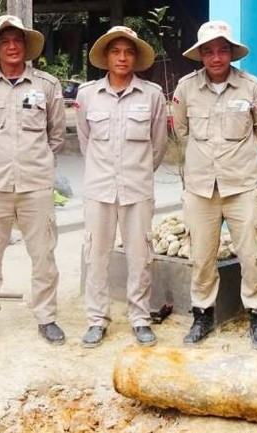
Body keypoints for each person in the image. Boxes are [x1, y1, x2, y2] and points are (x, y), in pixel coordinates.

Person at [0, 15, 66, 349]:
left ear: (26, 46)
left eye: (17, 40)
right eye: (5, 41)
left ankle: (46, 317)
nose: (12, 46)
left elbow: (56, 135)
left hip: (35, 185)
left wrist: (39, 162)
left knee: (44, 256)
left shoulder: (46, 85)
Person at [173, 21, 257, 349]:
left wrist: (236, 158)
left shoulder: (252, 88)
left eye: (222, 50)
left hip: (241, 186)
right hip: (201, 188)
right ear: (201, 55)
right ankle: (202, 315)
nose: (216, 57)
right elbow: (182, 131)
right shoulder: (186, 89)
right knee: (201, 257)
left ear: (231, 53)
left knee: (252, 255)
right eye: (209, 51)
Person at [76, 26, 167, 348]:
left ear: (136, 58)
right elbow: (85, 141)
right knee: (96, 256)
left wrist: (137, 172)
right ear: (106, 57)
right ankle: (96, 319)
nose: (122, 58)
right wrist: (104, 172)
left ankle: (140, 318)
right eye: (115, 51)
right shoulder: (87, 95)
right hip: (98, 189)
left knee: (140, 257)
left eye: (128, 52)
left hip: (137, 189)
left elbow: (158, 145)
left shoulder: (152, 95)